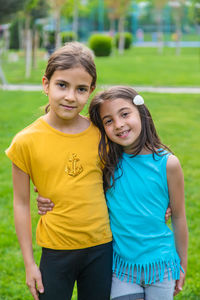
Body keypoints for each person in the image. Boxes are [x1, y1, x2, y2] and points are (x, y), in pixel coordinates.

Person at [5, 42, 113, 300]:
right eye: (62, 85)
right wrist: (30, 263)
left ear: (91, 91)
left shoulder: (101, 136)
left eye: (81, 89)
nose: (70, 96)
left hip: (101, 248)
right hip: (55, 251)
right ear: (46, 84)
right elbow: (20, 203)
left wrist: (160, 204)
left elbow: (117, 183)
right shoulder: (25, 141)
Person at [88, 86, 188, 300]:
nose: (119, 124)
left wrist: (182, 263)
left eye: (125, 114)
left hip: (161, 266)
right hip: (121, 268)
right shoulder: (106, 164)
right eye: (108, 121)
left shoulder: (168, 164)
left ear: (141, 112)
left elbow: (179, 217)